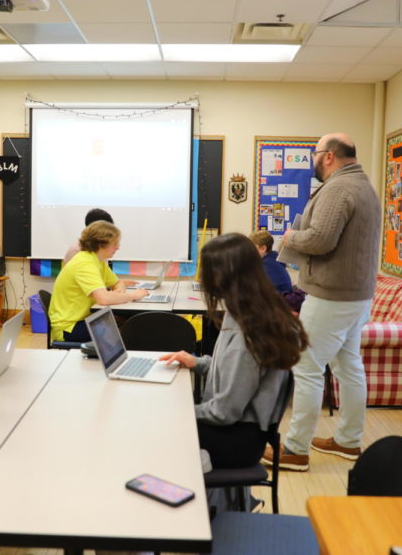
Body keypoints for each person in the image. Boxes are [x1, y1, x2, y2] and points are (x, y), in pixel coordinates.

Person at [263, 132, 381, 472]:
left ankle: (296, 450)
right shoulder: (364, 187)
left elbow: (320, 240)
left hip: (330, 296)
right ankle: (348, 441)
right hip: (356, 296)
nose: (311, 162)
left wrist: (290, 236)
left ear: (328, 156)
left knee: (307, 367)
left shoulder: (339, 188)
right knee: (349, 367)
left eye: (314, 155)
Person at [159, 233, 306, 472]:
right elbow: (234, 373)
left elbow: (224, 412)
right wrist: (197, 362)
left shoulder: (248, 330)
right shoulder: (249, 309)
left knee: (151, 427)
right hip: (239, 429)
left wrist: (177, 409)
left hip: (235, 441)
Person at [48, 221, 148, 343]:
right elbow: (103, 299)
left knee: (131, 321)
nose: (118, 247)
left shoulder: (97, 260)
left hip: (85, 318)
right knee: (132, 329)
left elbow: (117, 283)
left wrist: (119, 293)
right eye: (115, 243)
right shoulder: (84, 263)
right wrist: (132, 296)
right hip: (69, 327)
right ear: (101, 244)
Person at [249, 230, 292, 295]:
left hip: (277, 301)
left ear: (263, 248)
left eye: (252, 248)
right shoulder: (274, 260)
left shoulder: (266, 266)